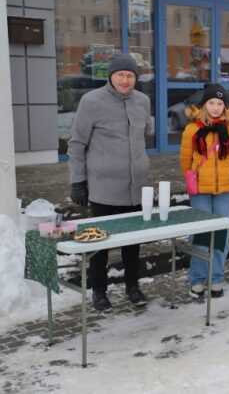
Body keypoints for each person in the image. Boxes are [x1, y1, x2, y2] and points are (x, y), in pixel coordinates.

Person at [68, 53, 152, 311]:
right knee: (100, 245)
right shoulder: (92, 101)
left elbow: (143, 134)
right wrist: (78, 181)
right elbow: (77, 143)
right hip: (103, 188)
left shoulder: (143, 101)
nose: (125, 80)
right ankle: (99, 291)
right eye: (120, 75)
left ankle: (132, 287)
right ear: (111, 76)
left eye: (130, 75)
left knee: (132, 243)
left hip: (135, 188)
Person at [179, 84, 229, 299]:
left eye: (220, 104)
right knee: (201, 235)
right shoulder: (192, 129)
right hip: (200, 191)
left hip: (224, 190)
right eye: (212, 103)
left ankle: (216, 278)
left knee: (220, 236)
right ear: (204, 105)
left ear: (225, 107)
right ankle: (197, 279)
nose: (215, 107)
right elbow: (185, 160)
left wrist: (225, 175)